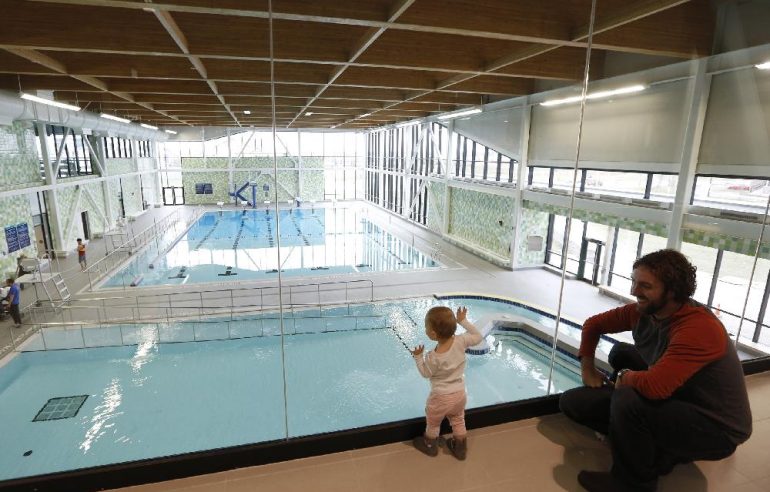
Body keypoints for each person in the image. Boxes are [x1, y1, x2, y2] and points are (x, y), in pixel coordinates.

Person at [559, 249, 752, 492]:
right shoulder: (643, 313)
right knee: (576, 399)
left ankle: (632, 483)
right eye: (634, 281)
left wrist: (623, 378)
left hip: (714, 426)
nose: (633, 291)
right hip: (676, 396)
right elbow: (593, 325)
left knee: (627, 398)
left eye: (645, 286)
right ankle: (659, 450)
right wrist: (587, 367)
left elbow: (655, 387)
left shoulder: (698, 328)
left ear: (672, 291)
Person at [410, 306, 482, 460]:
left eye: (426, 327)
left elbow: (425, 373)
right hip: (460, 394)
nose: (425, 329)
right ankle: (461, 447)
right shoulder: (461, 340)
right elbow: (478, 336)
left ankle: (430, 445)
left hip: (440, 397)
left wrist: (418, 357)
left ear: (433, 334)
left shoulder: (434, 357)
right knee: (458, 419)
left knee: (433, 423)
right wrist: (463, 321)